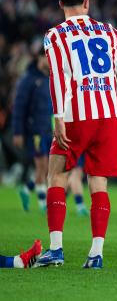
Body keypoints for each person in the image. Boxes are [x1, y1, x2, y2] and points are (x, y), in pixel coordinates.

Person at [35, 0, 117, 269]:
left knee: (56, 175)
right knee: (99, 183)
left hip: (77, 114)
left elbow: (58, 79)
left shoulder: (55, 35)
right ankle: (96, 253)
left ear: (60, 4)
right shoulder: (110, 32)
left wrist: (58, 118)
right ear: (87, 2)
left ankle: (55, 249)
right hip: (109, 116)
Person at [12, 53, 53, 212]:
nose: (51, 63)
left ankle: (27, 189)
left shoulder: (50, 80)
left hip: (47, 130)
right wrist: (18, 132)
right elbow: (19, 108)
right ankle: (43, 204)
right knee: (41, 164)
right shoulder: (28, 80)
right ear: (40, 58)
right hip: (34, 131)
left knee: (46, 168)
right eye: (48, 58)